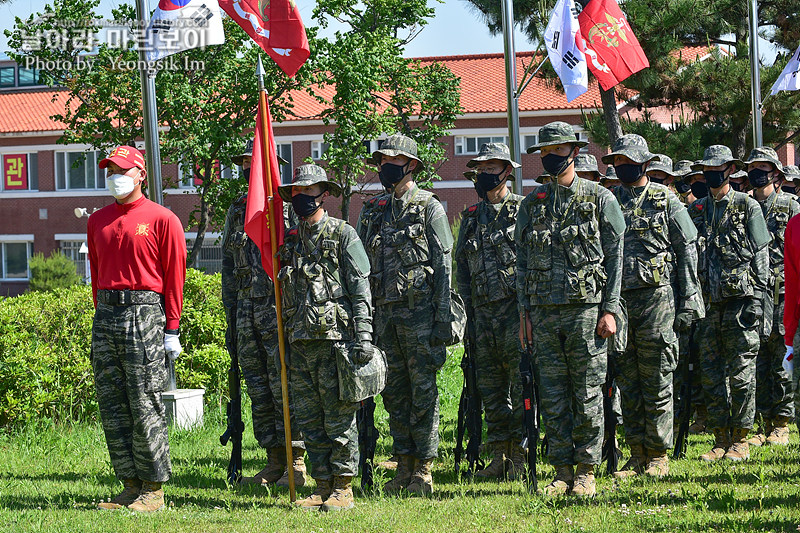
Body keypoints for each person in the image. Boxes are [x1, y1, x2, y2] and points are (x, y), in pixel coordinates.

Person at [517, 122, 625, 497]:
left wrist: (610, 309)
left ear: (574, 153)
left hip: (586, 312)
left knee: (588, 392)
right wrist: (524, 316)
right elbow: (521, 263)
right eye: (545, 153)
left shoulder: (600, 198)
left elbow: (615, 257)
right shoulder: (531, 204)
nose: (550, 158)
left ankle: (586, 470)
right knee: (553, 393)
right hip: (544, 314)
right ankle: (561, 469)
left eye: (557, 152)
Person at [88, 145, 187, 512]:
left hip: (144, 314)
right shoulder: (97, 220)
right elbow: (97, 273)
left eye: (123, 170)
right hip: (107, 316)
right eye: (110, 170)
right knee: (113, 403)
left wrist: (171, 328)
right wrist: (103, 316)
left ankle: (153, 488)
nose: (116, 176)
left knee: (145, 402)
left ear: (141, 174)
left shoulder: (162, 219)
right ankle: (129, 483)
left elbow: (175, 276)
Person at [357, 133, 454, 495]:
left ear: (410, 165)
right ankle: (403, 462)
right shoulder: (373, 210)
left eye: (392, 161)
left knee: (423, 391)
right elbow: (362, 268)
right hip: (384, 318)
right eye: (381, 161)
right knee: (394, 392)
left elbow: (444, 263)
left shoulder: (429, 206)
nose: (385, 167)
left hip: (421, 316)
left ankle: (424, 469)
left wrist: (442, 317)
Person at [602, 135, 703, 478]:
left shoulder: (666, 200)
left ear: (645, 164)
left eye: (628, 161)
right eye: (617, 162)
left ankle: (658, 453)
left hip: (657, 300)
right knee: (627, 380)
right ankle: (637, 451)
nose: (622, 167)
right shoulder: (608, 200)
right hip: (619, 304)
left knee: (658, 376)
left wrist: (690, 298)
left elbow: (688, 247)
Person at [276, 164, 372, 511]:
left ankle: (343, 487)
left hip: (336, 342)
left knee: (338, 418)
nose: (302, 197)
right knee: (309, 418)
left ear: (324, 194)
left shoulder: (344, 234)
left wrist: (363, 336)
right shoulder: (287, 241)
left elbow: (361, 289)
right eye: (297, 192)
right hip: (298, 343)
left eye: (309, 191)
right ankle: (321, 484)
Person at [221, 139, 305, 488]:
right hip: (246, 310)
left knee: (285, 383)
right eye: (243, 163)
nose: (247, 169)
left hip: (279, 309)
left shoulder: (288, 209)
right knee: (258, 386)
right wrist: (230, 316)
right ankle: (273, 459)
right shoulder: (238, 209)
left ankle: (296, 461)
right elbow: (228, 266)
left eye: (253, 162)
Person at [688, 145, 770, 462]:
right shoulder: (697, 211)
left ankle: (741, 439)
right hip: (709, 306)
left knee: (741, 375)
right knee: (710, 375)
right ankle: (720, 437)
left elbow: (761, 254)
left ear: (729, 170)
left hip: (741, 303)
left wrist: (758, 303)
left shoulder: (748, 206)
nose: (711, 173)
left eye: (717, 168)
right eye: (706, 168)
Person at [455, 143, 524, 479]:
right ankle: (499, 456)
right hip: (482, 318)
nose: (485, 175)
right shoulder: (471, 219)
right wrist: (465, 316)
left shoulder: (524, 211)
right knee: (491, 390)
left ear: (506, 172)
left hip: (515, 315)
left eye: (491, 169)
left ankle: (521, 456)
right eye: (480, 170)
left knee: (520, 387)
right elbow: (462, 272)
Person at [743, 147, 798, 447]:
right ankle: (763, 421)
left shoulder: (790, 205)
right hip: (752, 294)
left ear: (776, 174)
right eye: (753, 168)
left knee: (781, 358)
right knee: (757, 360)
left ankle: (782, 422)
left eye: (763, 168)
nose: (756, 173)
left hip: (782, 293)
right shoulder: (745, 206)